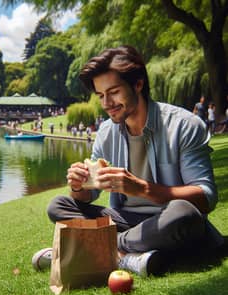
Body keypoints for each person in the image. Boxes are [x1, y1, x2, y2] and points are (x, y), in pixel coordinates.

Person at [41, 45, 223, 277]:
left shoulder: (184, 125)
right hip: (126, 220)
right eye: (100, 95)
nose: (106, 103)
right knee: (58, 205)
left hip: (168, 218)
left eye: (113, 91)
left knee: (184, 214)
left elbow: (206, 197)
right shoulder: (106, 133)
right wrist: (79, 187)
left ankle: (98, 249)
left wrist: (142, 188)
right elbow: (89, 195)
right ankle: (131, 256)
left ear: (138, 84)